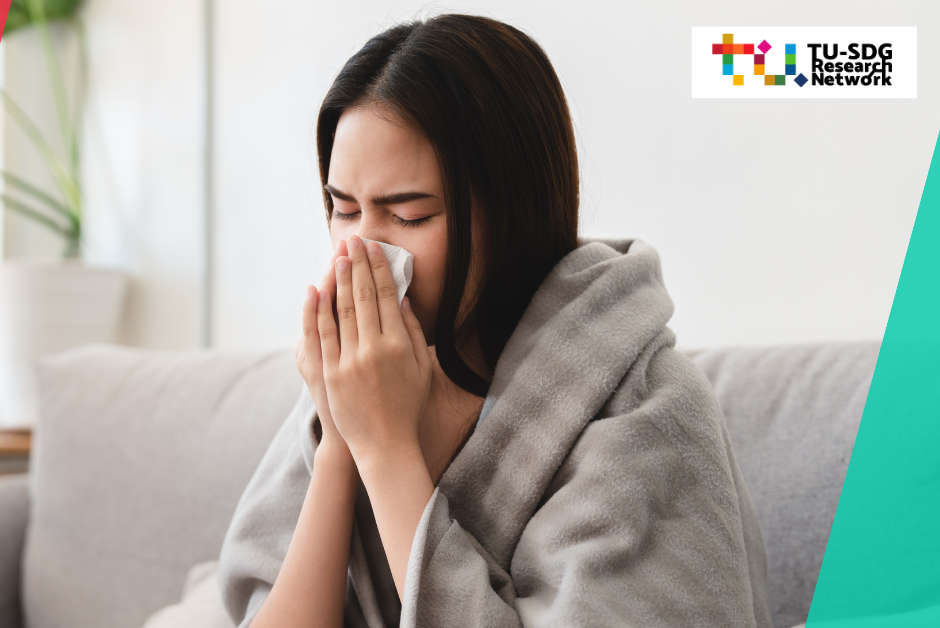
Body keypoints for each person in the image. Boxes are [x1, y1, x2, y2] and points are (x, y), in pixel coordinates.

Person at [218, 14, 773, 628]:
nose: (360, 255)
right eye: (343, 209)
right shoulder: (363, 378)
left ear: (510, 214)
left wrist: (389, 454)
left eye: (409, 216)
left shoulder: (647, 411)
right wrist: (343, 440)